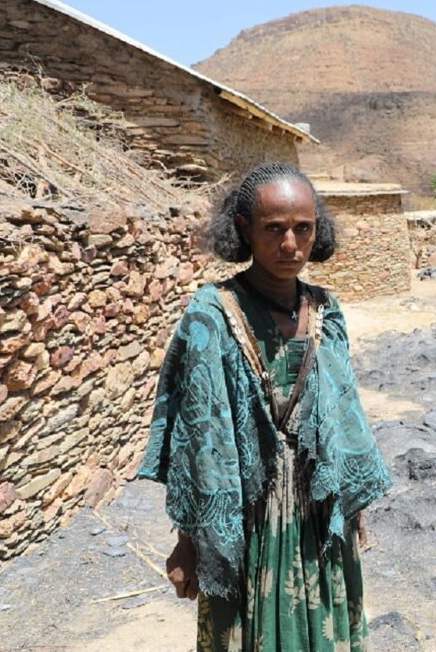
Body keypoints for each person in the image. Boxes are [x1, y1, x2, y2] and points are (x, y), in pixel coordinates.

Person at [139, 162, 392, 651]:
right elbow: (195, 439)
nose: (290, 244)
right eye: (274, 229)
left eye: (303, 228)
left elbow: (344, 416)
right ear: (244, 228)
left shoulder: (327, 310)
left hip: (319, 513)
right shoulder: (212, 315)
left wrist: (351, 506)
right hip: (244, 518)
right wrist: (189, 542)